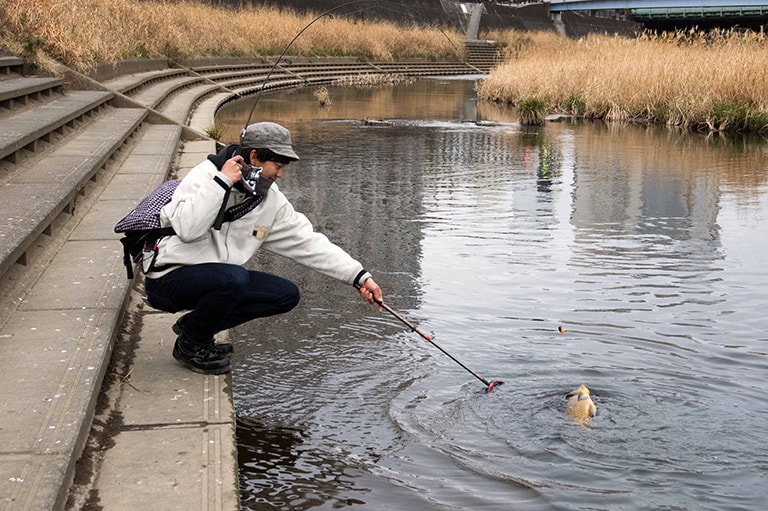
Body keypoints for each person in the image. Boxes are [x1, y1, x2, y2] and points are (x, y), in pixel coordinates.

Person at [143, 121, 383, 374]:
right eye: (277, 166)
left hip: (217, 278)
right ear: (254, 157)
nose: (279, 174)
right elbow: (187, 229)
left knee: (285, 294)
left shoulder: (269, 200)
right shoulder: (206, 175)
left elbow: (307, 242)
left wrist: (359, 277)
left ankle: (195, 328)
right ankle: (192, 345)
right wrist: (222, 181)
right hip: (169, 279)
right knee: (234, 278)